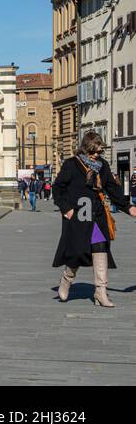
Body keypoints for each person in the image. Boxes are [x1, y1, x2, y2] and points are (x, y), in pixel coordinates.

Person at [53, 130, 136, 307]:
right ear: (85, 149)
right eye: (93, 152)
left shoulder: (103, 166)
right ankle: (66, 280)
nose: (96, 155)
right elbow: (58, 188)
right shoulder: (71, 165)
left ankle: (101, 292)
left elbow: (113, 190)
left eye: (99, 152)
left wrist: (128, 207)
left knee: (100, 248)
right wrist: (66, 209)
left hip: (97, 216)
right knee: (77, 253)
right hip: (77, 217)